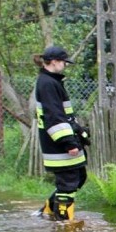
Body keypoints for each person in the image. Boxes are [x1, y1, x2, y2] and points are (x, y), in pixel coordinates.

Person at [35, 45, 90, 221]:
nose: (65, 65)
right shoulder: (48, 84)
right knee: (68, 184)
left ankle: (47, 211)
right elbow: (54, 116)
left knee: (79, 177)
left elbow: (63, 114)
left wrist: (78, 132)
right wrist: (68, 142)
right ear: (53, 62)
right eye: (63, 62)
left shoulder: (51, 81)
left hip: (62, 143)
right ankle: (64, 225)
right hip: (59, 146)